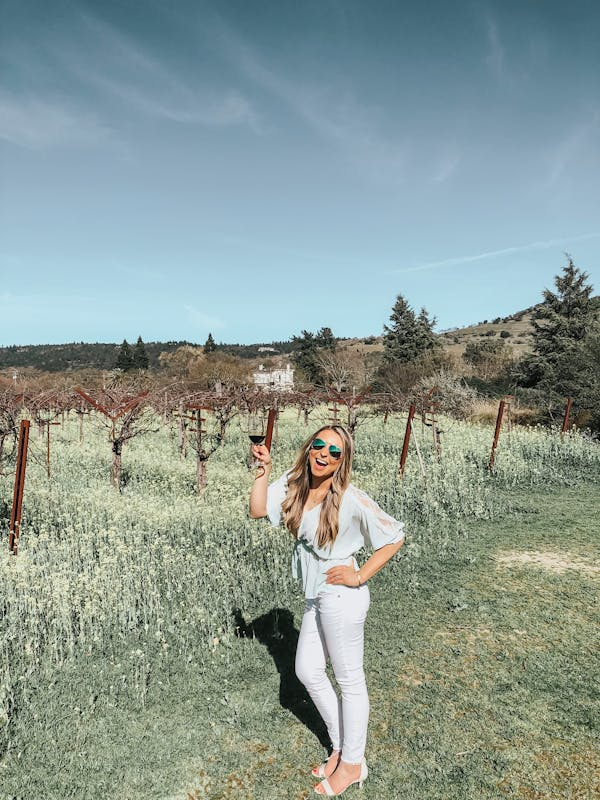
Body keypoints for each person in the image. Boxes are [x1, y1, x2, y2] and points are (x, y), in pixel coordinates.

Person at [249, 425, 405, 796]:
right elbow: (257, 510)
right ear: (308, 448)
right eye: (319, 445)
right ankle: (340, 747)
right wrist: (264, 471)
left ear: (342, 461)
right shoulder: (295, 482)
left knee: (350, 680)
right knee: (306, 669)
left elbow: (394, 536)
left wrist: (359, 574)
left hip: (340, 594)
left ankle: (353, 764)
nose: (324, 454)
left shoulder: (350, 497)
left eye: (335, 452)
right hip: (315, 594)